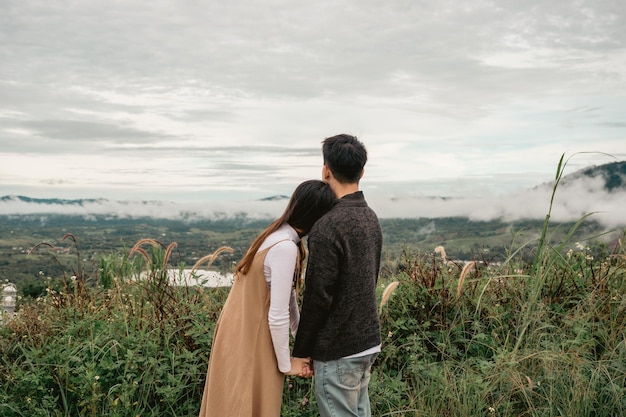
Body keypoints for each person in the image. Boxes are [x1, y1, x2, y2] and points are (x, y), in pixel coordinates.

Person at [198, 179, 336, 417]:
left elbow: (289, 301)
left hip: (238, 335)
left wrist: (303, 345)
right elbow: (279, 313)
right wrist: (286, 365)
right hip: (254, 341)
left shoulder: (275, 236)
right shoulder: (286, 248)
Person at [293, 134, 383, 417]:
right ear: (362, 172)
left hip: (338, 348)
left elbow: (318, 296)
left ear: (326, 171)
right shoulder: (370, 217)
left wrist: (301, 350)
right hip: (367, 340)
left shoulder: (327, 227)